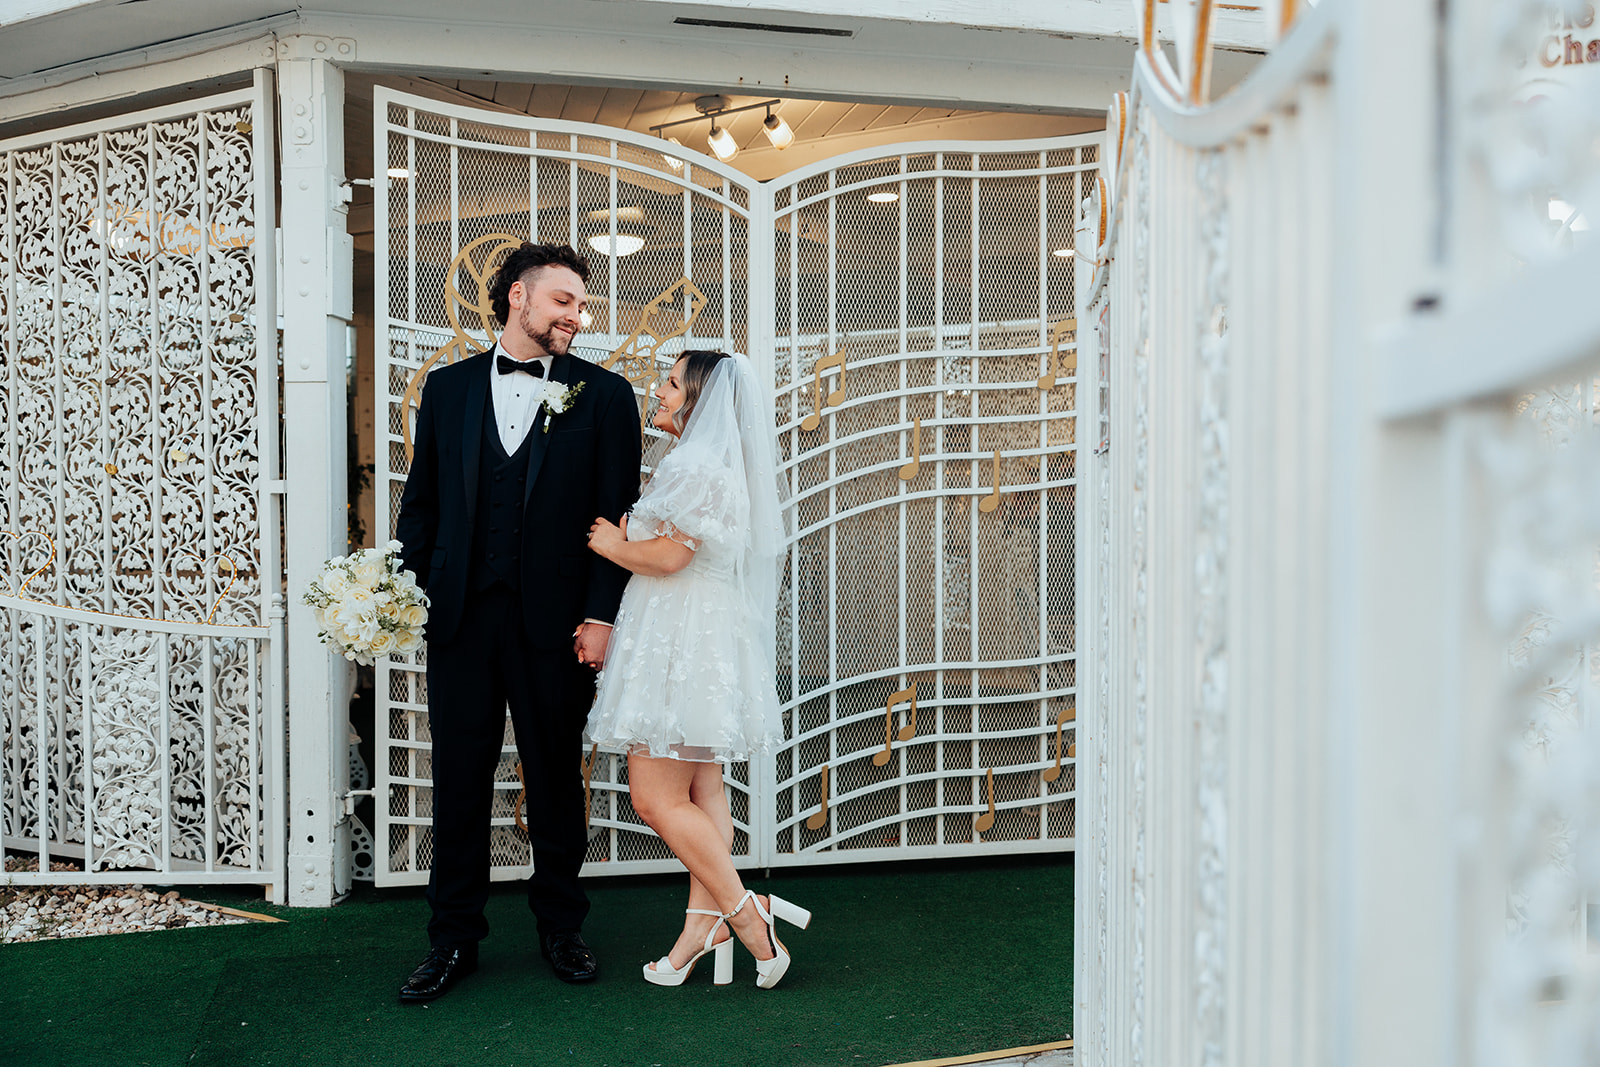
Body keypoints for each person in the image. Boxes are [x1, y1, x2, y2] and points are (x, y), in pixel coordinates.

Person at [393, 242, 641, 1003]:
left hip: (558, 624)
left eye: (581, 304)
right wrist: (406, 593)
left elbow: (615, 517)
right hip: (462, 619)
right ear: (517, 298)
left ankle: (562, 926)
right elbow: (424, 504)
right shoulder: (448, 388)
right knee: (459, 781)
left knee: (556, 779)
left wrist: (601, 615)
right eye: (563, 300)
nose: (577, 315)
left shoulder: (603, 395)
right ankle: (452, 939)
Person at [585, 350, 811, 990]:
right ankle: (698, 927)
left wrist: (613, 545)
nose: (657, 392)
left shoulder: (694, 465)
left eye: (670, 382)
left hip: (680, 636)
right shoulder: (713, 463)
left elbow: (670, 556)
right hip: (696, 632)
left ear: (698, 398)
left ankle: (746, 917)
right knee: (702, 791)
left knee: (655, 799)